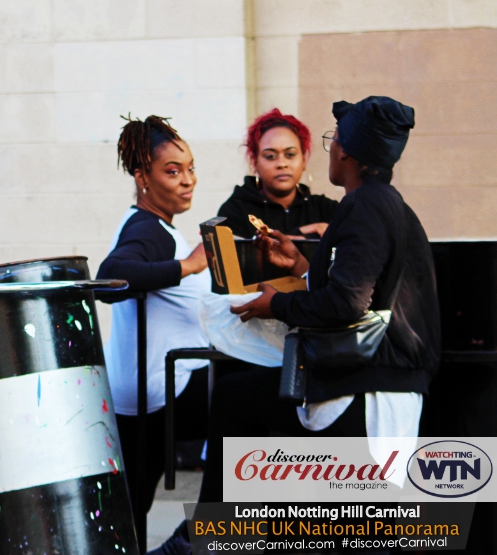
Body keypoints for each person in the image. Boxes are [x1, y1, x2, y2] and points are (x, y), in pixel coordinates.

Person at [149, 97, 441, 555]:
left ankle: (202, 539)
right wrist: (303, 263)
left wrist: (277, 305)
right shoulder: (377, 204)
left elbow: (347, 302)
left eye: (331, 142)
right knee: (236, 399)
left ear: (344, 152)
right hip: (361, 376)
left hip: (369, 387)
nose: (329, 150)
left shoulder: (365, 207)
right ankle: (204, 537)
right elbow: (357, 283)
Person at [95, 115, 210, 518]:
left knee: (126, 511)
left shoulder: (150, 225)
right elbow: (109, 278)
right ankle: (206, 538)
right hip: (160, 391)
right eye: (172, 171)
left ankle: (205, 536)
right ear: (143, 177)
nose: (187, 180)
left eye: (191, 168)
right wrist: (190, 266)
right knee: (257, 403)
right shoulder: (149, 230)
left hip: (143, 390)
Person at [218, 109, 338, 239]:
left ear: (304, 159)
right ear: (255, 162)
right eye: (270, 156)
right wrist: (301, 233)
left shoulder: (326, 210)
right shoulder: (234, 212)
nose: (282, 164)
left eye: (290, 154)